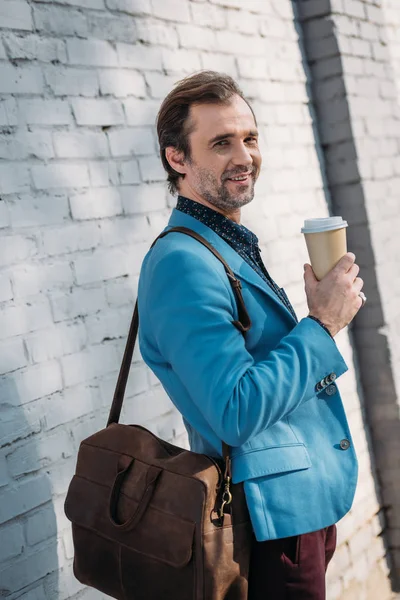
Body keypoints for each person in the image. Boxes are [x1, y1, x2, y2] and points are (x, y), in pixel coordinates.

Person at [137, 71, 364, 599]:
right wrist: (323, 324)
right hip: (267, 523)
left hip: (297, 509)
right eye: (221, 143)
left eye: (250, 138)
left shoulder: (224, 242)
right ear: (178, 159)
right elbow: (235, 410)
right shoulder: (182, 263)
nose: (244, 156)